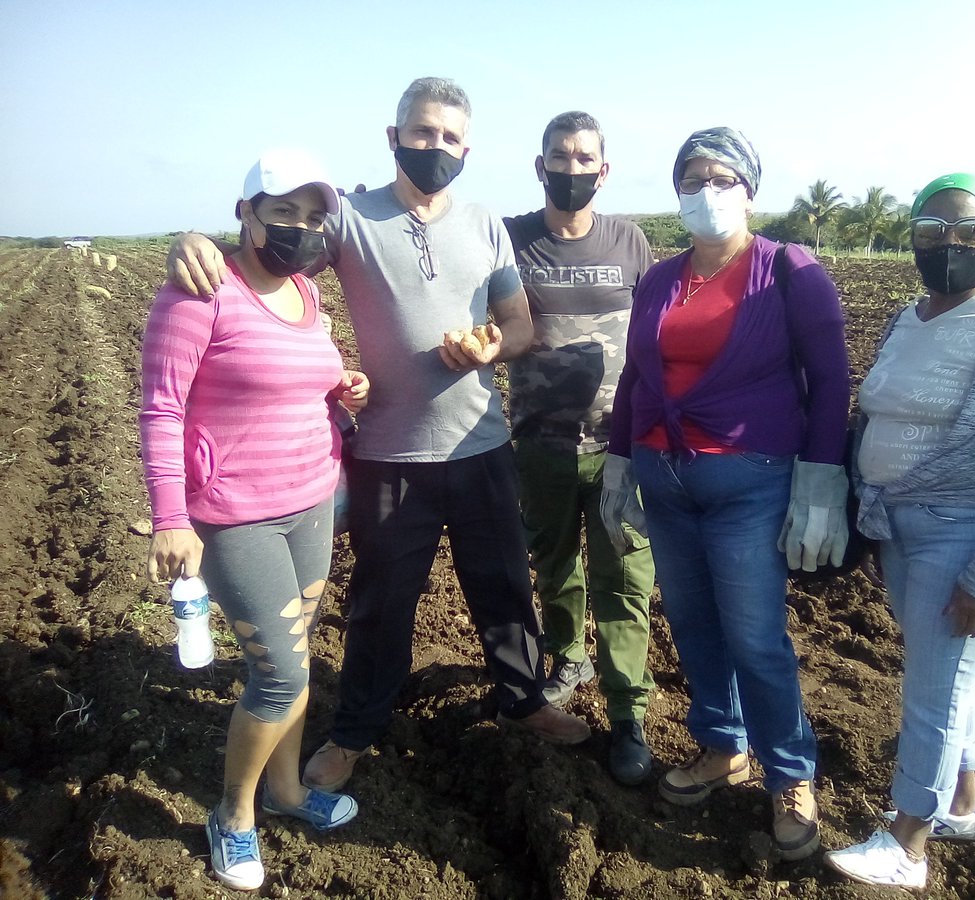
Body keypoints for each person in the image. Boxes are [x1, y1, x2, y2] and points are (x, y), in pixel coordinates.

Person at [166, 78, 591, 799]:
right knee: (381, 601)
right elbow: (269, 250)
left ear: (468, 148)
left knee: (504, 587)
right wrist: (196, 242)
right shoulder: (350, 221)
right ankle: (357, 729)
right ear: (393, 139)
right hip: (389, 455)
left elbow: (520, 324)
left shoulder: (485, 224)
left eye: (451, 138)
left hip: (480, 446)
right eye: (422, 134)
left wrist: (492, 348)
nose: (437, 148)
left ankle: (522, 701)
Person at [602, 127, 851, 859]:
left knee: (753, 633)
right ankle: (721, 744)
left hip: (751, 480)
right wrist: (619, 463)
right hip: (665, 476)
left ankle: (790, 772)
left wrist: (821, 479)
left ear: (748, 188)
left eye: (721, 178)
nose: (705, 191)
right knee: (693, 622)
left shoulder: (788, 269)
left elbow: (831, 378)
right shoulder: (661, 276)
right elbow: (635, 376)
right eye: (691, 178)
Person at [823, 174, 975, 890]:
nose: (948, 246)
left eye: (966, 232)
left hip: (958, 533)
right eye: (931, 232)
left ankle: (908, 842)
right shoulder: (908, 316)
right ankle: (963, 806)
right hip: (898, 528)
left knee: (934, 690)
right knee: (949, 677)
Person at [141, 150, 369, 891]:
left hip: (311, 502)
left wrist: (345, 390)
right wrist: (171, 519)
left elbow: (304, 384)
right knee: (281, 675)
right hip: (236, 519)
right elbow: (162, 410)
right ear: (245, 213)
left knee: (294, 659)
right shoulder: (198, 294)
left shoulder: (306, 292)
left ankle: (289, 792)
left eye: (311, 216)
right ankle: (234, 815)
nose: (299, 228)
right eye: (282, 212)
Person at [504, 112, 657, 786]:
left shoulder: (629, 243)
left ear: (604, 168)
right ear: (540, 166)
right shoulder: (508, 241)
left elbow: (657, 337)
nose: (572, 168)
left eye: (584, 157)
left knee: (624, 578)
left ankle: (628, 711)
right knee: (554, 563)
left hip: (621, 446)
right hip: (541, 443)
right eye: (560, 157)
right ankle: (569, 656)